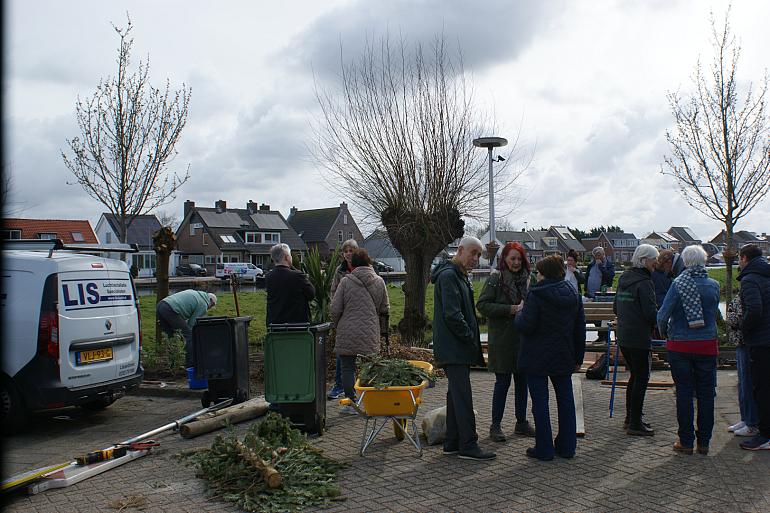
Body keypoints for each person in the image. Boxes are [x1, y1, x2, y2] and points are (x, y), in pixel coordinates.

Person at [515, 255, 586, 461]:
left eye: (538, 272)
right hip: (564, 355)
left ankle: (544, 448)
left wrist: (519, 313)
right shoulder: (573, 294)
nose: (536, 275)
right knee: (565, 401)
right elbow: (579, 328)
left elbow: (526, 325)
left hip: (536, 356)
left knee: (540, 402)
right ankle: (567, 446)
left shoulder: (535, 295)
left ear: (544, 273)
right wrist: (578, 357)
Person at [432, 236, 495, 461]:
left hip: (454, 346)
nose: (476, 259)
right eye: (473, 253)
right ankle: (468, 445)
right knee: (463, 396)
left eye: (479, 255)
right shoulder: (450, 276)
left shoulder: (456, 275)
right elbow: (452, 314)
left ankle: (452, 442)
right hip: (454, 347)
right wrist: (470, 337)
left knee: (455, 395)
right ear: (460, 251)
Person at [657, 245, 720, 455]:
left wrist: (666, 333)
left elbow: (663, 315)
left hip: (680, 345)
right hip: (707, 345)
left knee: (683, 392)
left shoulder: (678, 284)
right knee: (706, 394)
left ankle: (686, 441)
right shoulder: (714, 285)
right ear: (704, 261)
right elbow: (714, 314)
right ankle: (704, 442)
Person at [477, 242, 535, 443]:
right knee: (502, 383)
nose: (516, 262)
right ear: (505, 260)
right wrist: (509, 309)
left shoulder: (529, 279)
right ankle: (495, 425)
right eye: (512, 259)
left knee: (522, 383)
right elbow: (482, 305)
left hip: (523, 339)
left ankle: (521, 422)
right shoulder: (496, 279)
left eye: (519, 259)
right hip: (502, 340)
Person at [330, 248, 389, 414]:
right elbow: (385, 308)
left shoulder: (346, 281)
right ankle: (373, 401)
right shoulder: (379, 281)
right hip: (370, 330)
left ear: (353, 264)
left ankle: (352, 404)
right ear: (369, 262)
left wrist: (337, 324)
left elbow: (335, 308)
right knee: (371, 367)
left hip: (347, 331)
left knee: (348, 368)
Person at [613, 244, 659, 436]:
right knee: (642, 377)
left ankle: (630, 418)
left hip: (624, 336)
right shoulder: (644, 282)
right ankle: (634, 423)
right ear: (643, 260)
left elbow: (616, 307)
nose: (655, 263)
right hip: (639, 337)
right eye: (653, 259)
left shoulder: (624, 279)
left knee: (634, 376)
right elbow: (650, 313)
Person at [736, 244, 770, 451]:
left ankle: (765, 434)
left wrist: (743, 328)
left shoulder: (749, 279)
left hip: (760, 341)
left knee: (762, 389)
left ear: (745, 258)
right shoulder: (767, 275)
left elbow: (755, 309)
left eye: (739, 259)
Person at [725, 292, 759, 437]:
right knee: (742, 383)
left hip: (746, 342)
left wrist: (734, 320)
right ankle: (745, 419)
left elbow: (746, 315)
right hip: (740, 342)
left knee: (747, 383)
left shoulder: (752, 289)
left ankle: (752, 423)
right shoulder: (745, 289)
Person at [328, 239, 359, 400]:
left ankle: (361, 385)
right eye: (346, 251)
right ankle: (340, 385)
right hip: (345, 317)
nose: (348, 253)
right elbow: (333, 291)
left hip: (360, 316)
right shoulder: (339, 271)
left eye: (351, 250)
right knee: (343, 352)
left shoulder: (363, 268)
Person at [156, 289, 217, 367]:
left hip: (161, 305)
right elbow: (191, 324)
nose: (209, 308)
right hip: (170, 309)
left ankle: (172, 363)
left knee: (171, 336)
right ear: (210, 300)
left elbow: (184, 309)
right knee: (189, 336)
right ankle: (190, 364)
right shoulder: (203, 304)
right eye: (212, 305)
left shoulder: (196, 294)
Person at [265, 243, 315, 325]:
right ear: (287, 257)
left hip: (275, 324)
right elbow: (311, 294)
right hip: (297, 325)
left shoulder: (269, 277)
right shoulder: (297, 276)